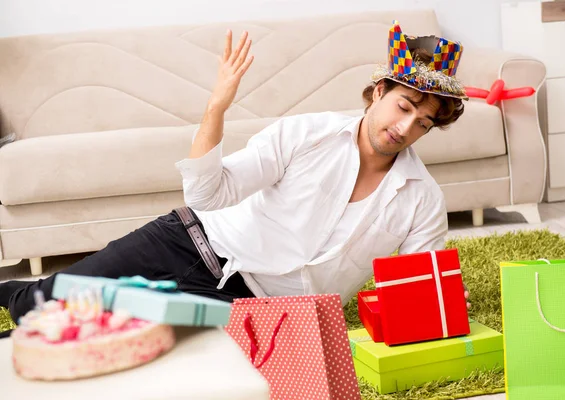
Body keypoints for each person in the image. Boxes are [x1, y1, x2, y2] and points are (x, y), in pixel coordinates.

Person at [0, 21, 470, 336]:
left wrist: (441, 300)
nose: (406, 128)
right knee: (39, 306)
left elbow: (420, 286)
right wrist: (217, 106)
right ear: (379, 91)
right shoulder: (306, 133)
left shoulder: (421, 199)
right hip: (187, 242)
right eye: (404, 107)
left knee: (115, 344)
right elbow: (208, 191)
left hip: (255, 310)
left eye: (424, 124)